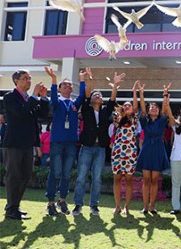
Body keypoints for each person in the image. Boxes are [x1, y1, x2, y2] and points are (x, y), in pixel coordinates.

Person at [72, 71, 124, 216]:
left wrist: (115, 85)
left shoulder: (105, 112)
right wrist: (89, 80)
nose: (98, 96)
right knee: (81, 177)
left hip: (100, 148)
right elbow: (87, 95)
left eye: (100, 95)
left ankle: (94, 205)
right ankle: (78, 204)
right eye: (96, 94)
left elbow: (113, 100)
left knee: (97, 178)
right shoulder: (87, 110)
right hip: (86, 147)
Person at [3, 69, 49, 220]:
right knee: (14, 175)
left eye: (29, 78)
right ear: (16, 81)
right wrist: (35, 97)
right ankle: (11, 209)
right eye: (25, 78)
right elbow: (21, 113)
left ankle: (14, 205)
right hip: (14, 143)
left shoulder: (30, 98)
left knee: (26, 175)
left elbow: (42, 115)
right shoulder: (10, 97)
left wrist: (43, 98)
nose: (29, 81)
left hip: (28, 143)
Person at [44, 67, 86, 216]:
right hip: (57, 142)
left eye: (70, 85)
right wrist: (54, 80)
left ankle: (62, 200)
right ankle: (50, 203)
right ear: (60, 88)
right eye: (65, 85)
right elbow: (53, 98)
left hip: (71, 143)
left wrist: (82, 79)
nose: (68, 86)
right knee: (55, 172)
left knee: (67, 174)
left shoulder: (74, 104)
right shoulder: (57, 103)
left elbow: (83, 95)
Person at [136, 81, 170, 214]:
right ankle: (145, 206)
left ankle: (152, 206)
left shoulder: (161, 120)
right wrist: (141, 93)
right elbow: (143, 109)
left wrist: (165, 94)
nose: (154, 108)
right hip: (146, 149)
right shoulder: (144, 121)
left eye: (156, 107)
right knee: (146, 180)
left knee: (155, 179)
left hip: (158, 149)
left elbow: (165, 108)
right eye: (152, 107)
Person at [111, 81, 140, 215]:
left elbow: (135, 105)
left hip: (130, 153)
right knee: (117, 179)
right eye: (126, 105)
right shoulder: (117, 118)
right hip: (117, 151)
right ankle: (117, 206)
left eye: (130, 105)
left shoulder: (134, 119)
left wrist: (134, 91)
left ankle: (127, 206)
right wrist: (115, 88)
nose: (128, 106)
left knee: (129, 180)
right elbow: (113, 104)